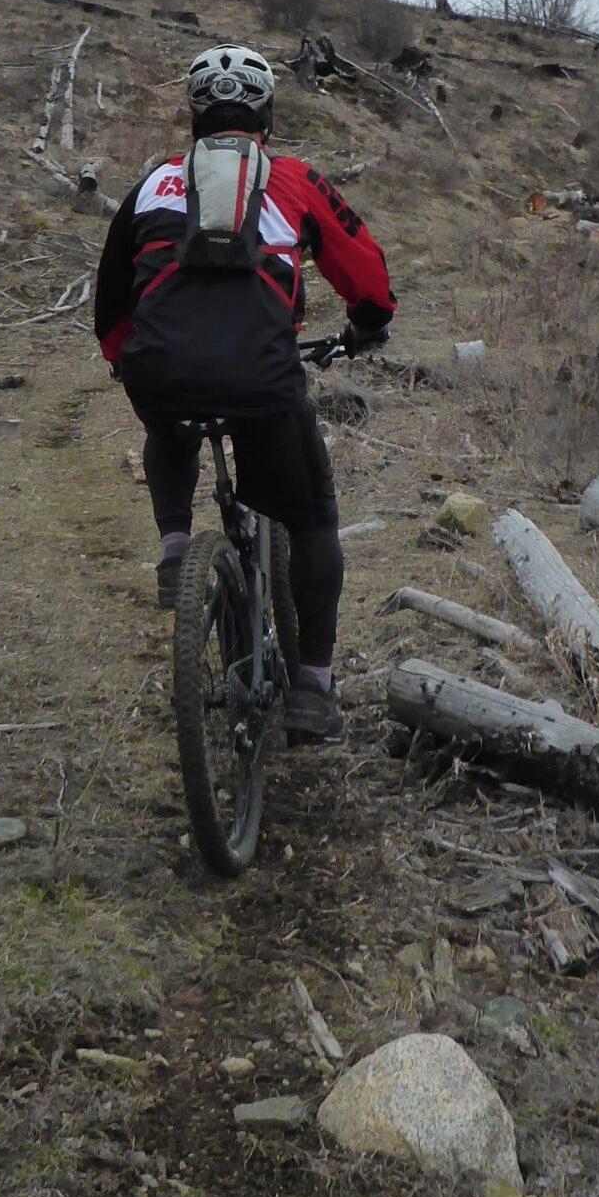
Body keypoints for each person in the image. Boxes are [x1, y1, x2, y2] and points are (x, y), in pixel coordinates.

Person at [93, 43, 396, 744]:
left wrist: (127, 362)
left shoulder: (153, 184)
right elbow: (369, 275)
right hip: (263, 384)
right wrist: (367, 325)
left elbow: (110, 303)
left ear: (194, 118)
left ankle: (175, 546)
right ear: (267, 113)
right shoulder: (294, 181)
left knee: (167, 421)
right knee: (314, 516)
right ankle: (315, 687)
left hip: (161, 375)